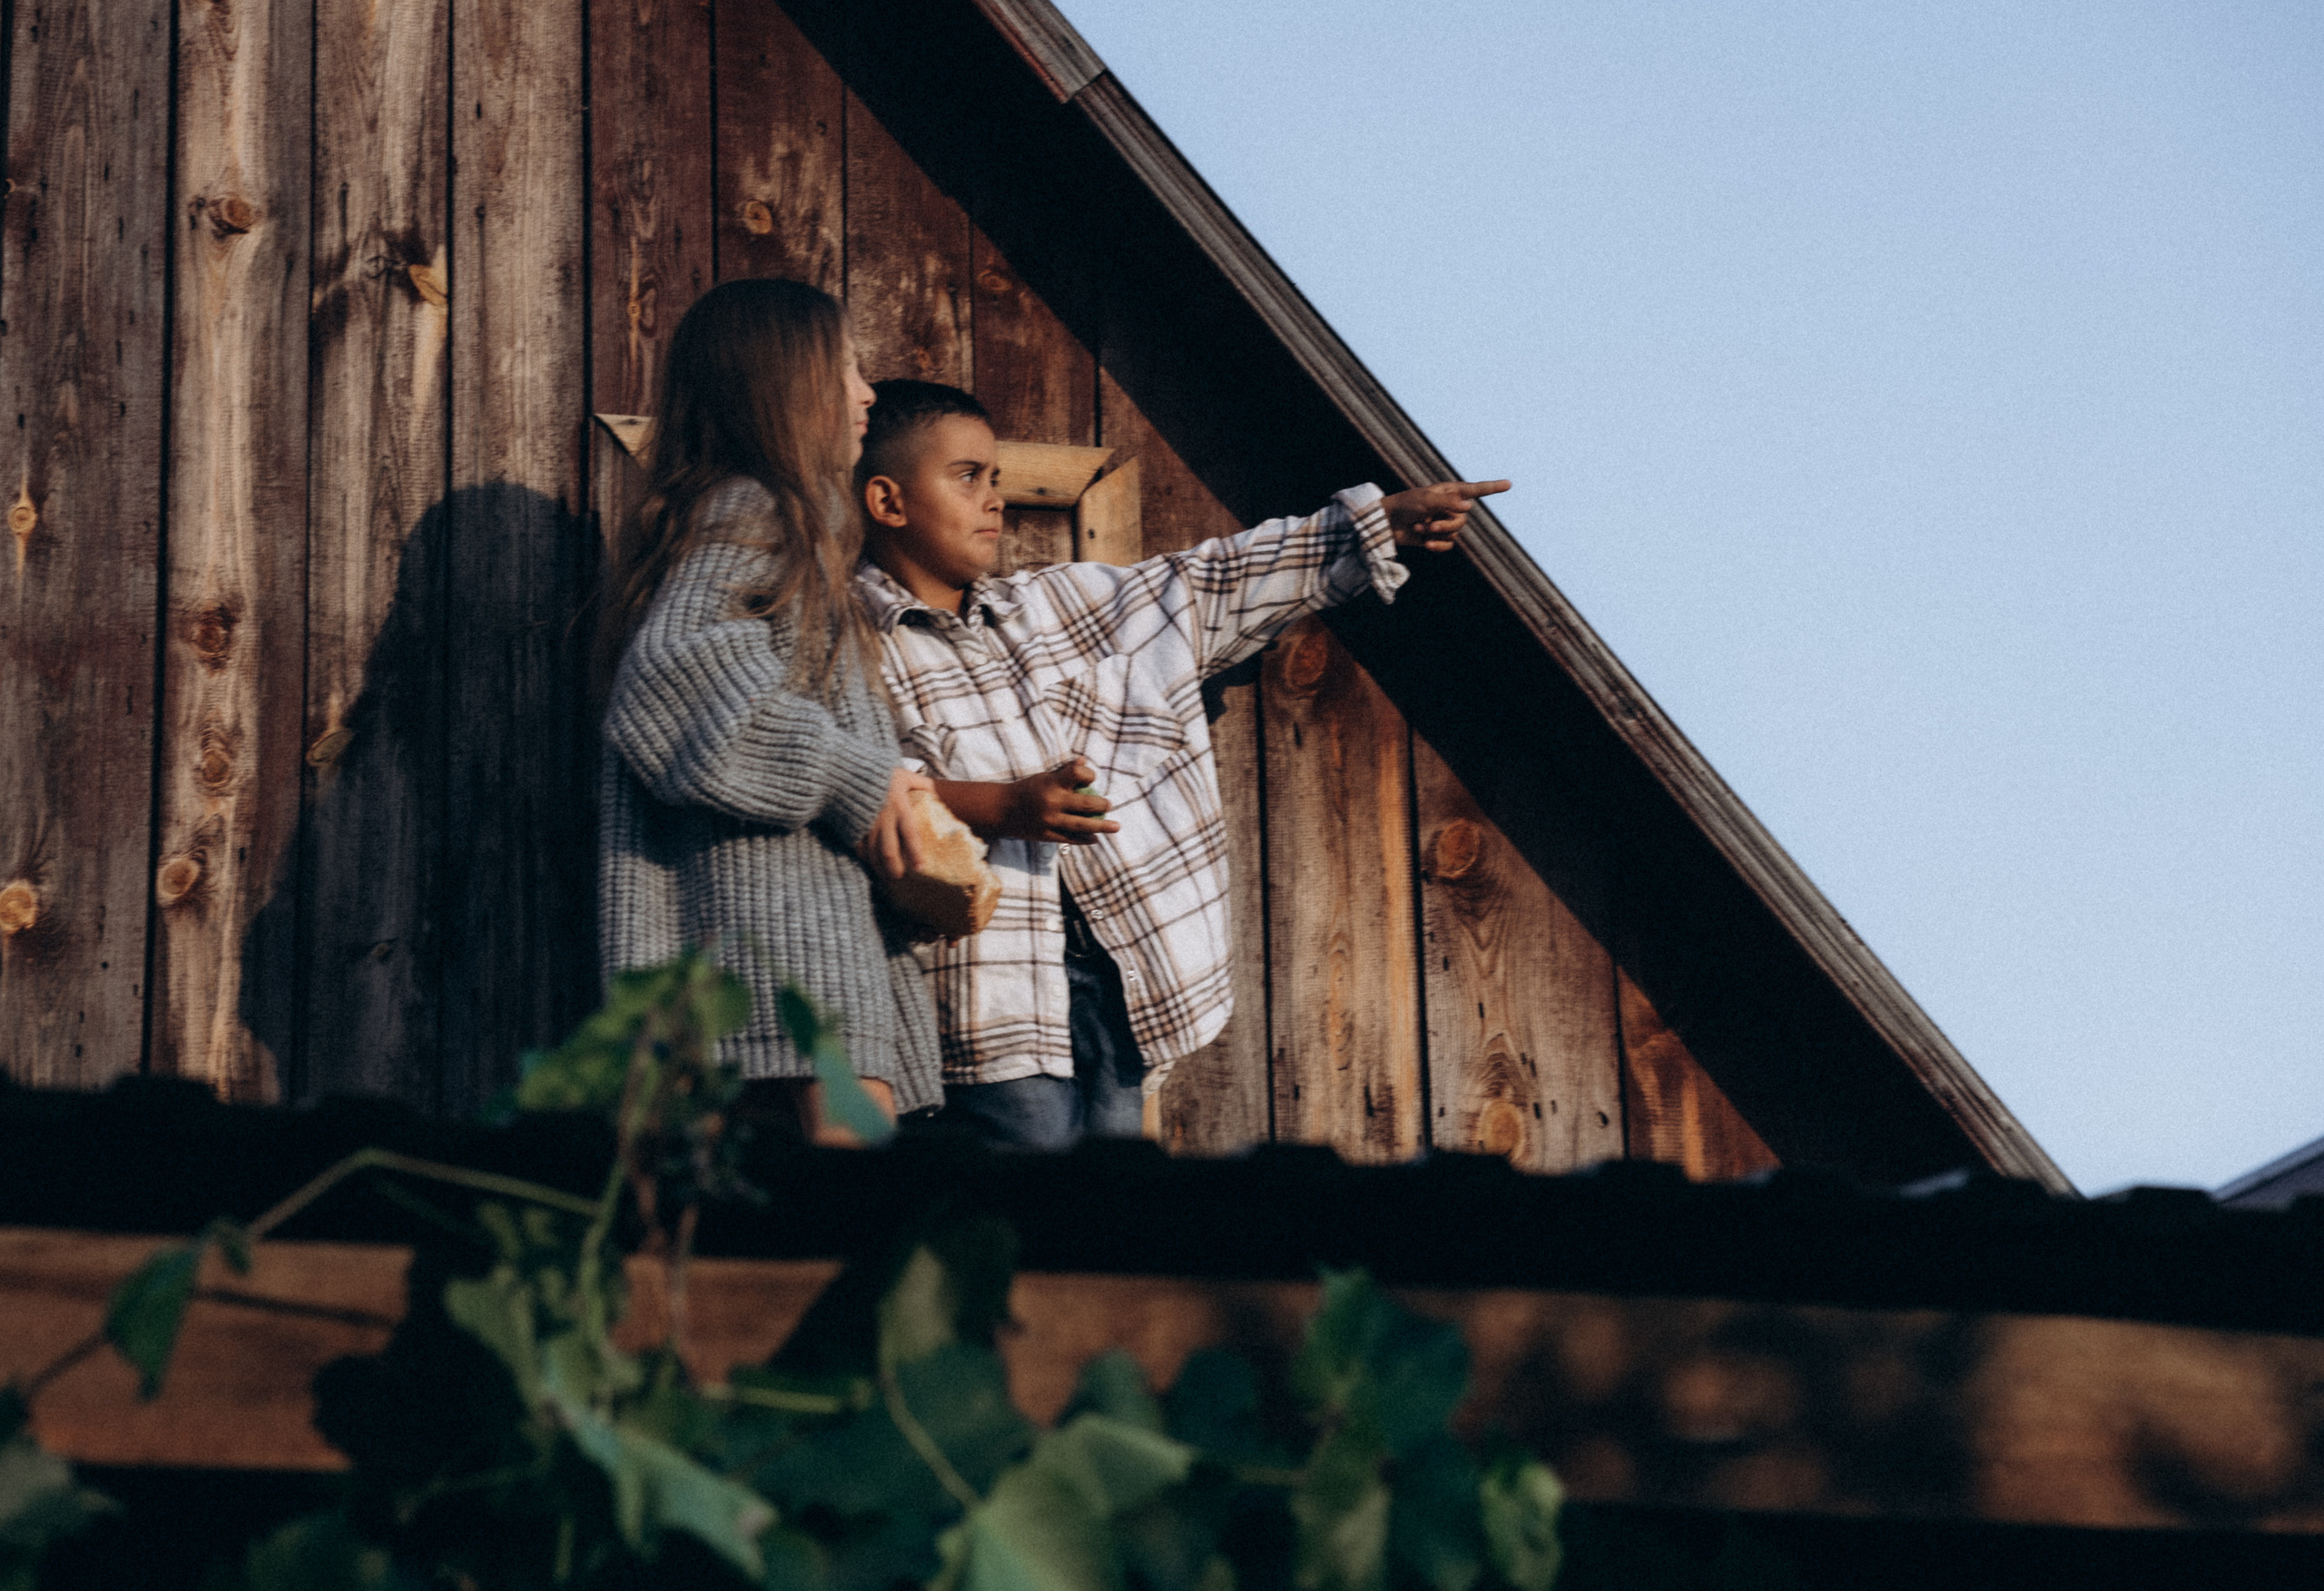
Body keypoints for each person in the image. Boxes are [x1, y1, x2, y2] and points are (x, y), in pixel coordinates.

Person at [852, 378, 1506, 1150]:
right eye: (967, 477)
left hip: (1124, 976)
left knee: (1117, 1213)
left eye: (996, 477)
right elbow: (851, 787)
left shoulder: (1060, 605)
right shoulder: (848, 648)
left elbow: (1214, 580)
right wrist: (1003, 805)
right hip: (984, 991)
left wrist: (1372, 524)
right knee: (1019, 1206)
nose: (994, 499)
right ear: (889, 502)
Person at [596, 280, 943, 1141]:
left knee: (720, 1239)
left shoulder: (766, 527)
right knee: (849, 1231)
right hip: (785, 943)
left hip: (746, 942)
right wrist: (859, 779)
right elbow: (672, 680)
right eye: (849, 369)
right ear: (784, 386)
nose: (869, 393)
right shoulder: (762, 510)